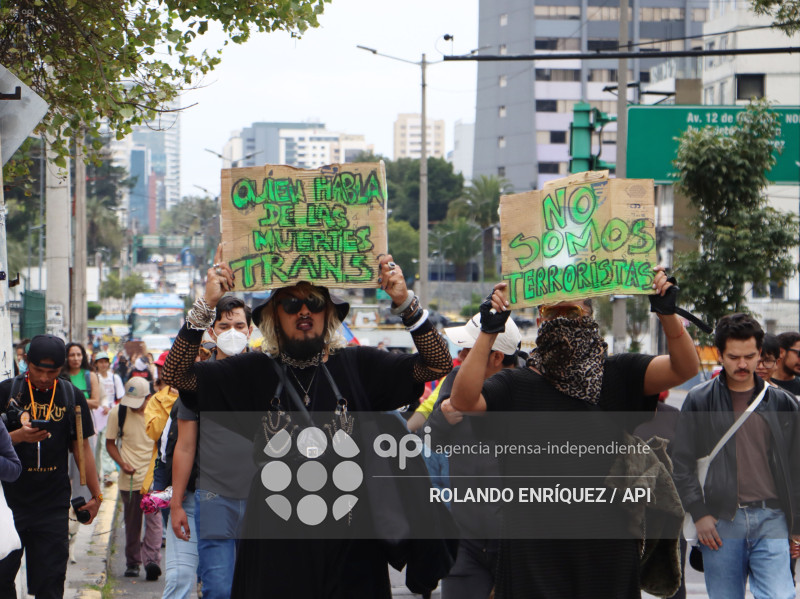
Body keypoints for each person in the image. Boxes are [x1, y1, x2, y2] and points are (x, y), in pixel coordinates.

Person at [161, 247, 454, 598]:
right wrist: (204, 306)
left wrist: (405, 303)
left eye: (314, 302)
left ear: (328, 312)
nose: (304, 310)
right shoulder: (253, 372)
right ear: (273, 315)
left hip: (353, 552)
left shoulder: (359, 366)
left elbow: (438, 365)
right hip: (275, 549)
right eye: (291, 303)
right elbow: (176, 373)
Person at [450, 269, 700, 599]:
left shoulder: (615, 375)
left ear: (589, 317)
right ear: (539, 323)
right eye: (551, 312)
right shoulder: (516, 385)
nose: (561, 321)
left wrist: (667, 315)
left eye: (571, 311)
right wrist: (488, 330)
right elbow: (464, 401)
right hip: (532, 555)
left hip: (606, 553)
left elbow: (685, 369)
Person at [672, 314, 800, 599]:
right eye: (733, 357)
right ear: (719, 354)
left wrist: (797, 524)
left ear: (761, 355)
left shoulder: (783, 403)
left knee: (781, 595)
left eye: (750, 356)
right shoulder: (699, 400)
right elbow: (680, 463)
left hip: (772, 517)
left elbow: (795, 467)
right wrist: (700, 512)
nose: (742, 364)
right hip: (720, 521)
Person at [425, 314, 522, 599]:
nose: (461, 354)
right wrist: (442, 419)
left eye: (469, 348)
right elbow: (428, 440)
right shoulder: (455, 381)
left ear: (495, 357)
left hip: (517, 545)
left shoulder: (527, 389)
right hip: (465, 541)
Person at [0, 334, 101, 599]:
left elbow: (83, 450)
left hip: (52, 506)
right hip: (9, 504)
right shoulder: (6, 392)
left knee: (51, 584)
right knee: (1, 579)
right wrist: (17, 437)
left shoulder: (71, 395)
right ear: (25, 362)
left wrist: (96, 495)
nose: (44, 377)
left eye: (52, 371)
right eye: (38, 370)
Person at [169, 295, 255, 599]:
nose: (233, 331)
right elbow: (185, 446)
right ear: (213, 332)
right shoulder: (197, 380)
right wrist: (177, 503)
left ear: (251, 329)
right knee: (218, 588)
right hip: (214, 497)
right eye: (225, 325)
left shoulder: (269, 374)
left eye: (239, 325)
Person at [105, 377, 163, 581]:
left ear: (148, 397)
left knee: (155, 521)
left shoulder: (158, 412)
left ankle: (152, 560)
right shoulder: (118, 412)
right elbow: (110, 443)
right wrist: (122, 464)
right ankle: (132, 562)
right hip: (128, 480)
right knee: (132, 523)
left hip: (154, 478)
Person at [93, 351, 123, 485]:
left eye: (105, 362)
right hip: (95, 415)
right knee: (95, 446)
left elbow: (121, 397)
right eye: (100, 362)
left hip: (110, 416)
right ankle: (95, 473)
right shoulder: (94, 377)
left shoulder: (114, 378)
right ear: (96, 364)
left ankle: (107, 473)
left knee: (107, 444)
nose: (103, 364)